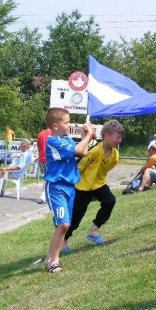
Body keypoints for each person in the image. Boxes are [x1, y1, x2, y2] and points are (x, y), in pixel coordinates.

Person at [61, 120, 124, 250]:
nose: (120, 140)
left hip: (98, 185)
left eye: (121, 138)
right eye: (117, 137)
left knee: (110, 200)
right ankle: (63, 241)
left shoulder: (114, 154)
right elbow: (79, 167)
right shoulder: (94, 151)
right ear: (107, 135)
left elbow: (108, 167)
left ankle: (94, 230)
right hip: (82, 187)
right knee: (76, 216)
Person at [43, 108, 93, 273]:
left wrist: (85, 135)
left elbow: (83, 151)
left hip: (70, 187)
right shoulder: (53, 141)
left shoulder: (66, 139)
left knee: (64, 225)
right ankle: (53, 261)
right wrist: (88, 136)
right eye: (67, 122)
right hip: (56, 186)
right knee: (63, 224)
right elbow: (79, 150)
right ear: (55, 125)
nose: (69, 124)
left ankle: (50, 258)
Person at [37, 126, 51, 204]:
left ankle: (45, 195)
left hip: (41, 159)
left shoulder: (40, 134)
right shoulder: (54, 134)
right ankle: (44, 196)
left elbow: (39, 147)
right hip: (50, 159)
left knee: (46, 178)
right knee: (48, 178)